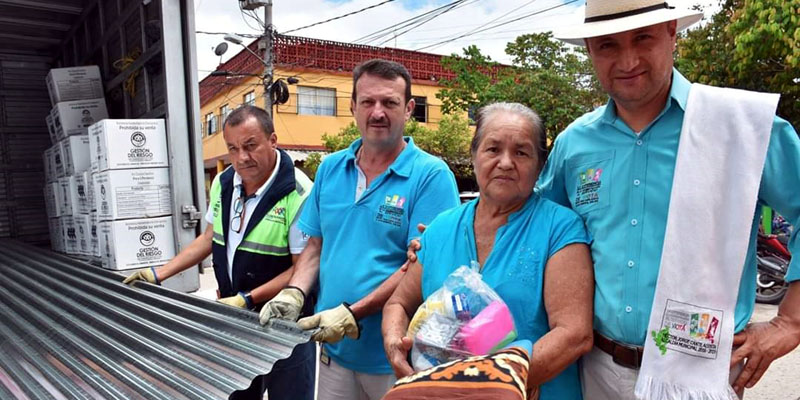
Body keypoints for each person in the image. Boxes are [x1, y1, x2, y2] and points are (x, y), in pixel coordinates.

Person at [536, 1, 800, 399]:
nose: (628, 60)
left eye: (643, 37)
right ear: (590, 50)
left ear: (672, 32)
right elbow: (539, 230)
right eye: (607, 45)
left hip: (704, 374)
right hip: (597, 371)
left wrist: (791, 322)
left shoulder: (739, 125)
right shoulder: (575, 144)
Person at [259, 59, 460, 400]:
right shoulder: (331, 167)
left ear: (409, 109)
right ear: (353, 106)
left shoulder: (431, 176)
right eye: (367, 102)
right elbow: (315, 246)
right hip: (333, 353)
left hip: (397, 356)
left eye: (390, 103)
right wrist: (295, 292)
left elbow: (419, 266)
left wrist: (353, 313)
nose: (377, 112)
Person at [383, 102, 594, 400]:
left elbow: (575, 334)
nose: (506, 162)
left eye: (521, 152)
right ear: (474, 155)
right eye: (493, 149)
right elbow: (398, 304)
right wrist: (394, 344)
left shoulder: (560, 228)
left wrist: (489, 385)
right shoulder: (441, 228)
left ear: (539, 165)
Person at [123, 105, 316, 400]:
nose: (241, 158)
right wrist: (157, 274)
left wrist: (248, 298)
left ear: (273, 140)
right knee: (236, 394)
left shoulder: (299, 193)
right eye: (233, 148)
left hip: (285, 324)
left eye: (250, 146)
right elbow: (210, 238)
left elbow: (302, 266)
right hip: (235, 319)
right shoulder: (225, 184)